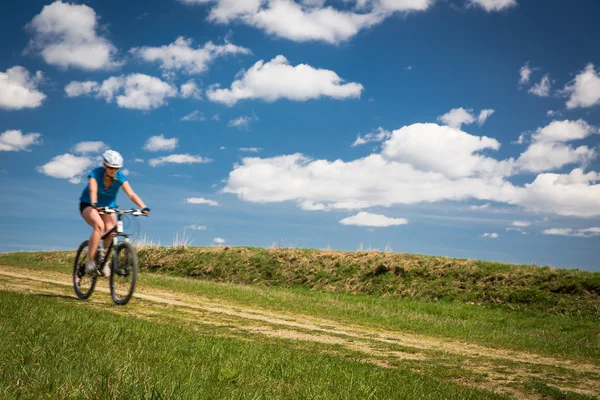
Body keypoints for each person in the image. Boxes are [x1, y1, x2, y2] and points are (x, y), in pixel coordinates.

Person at [79, 150, 150, 276]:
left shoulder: (120, 177)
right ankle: (90, 262)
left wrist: (143, 207)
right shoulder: (96, 173)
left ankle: (104, 260)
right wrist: (95, 203)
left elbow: (131, 194)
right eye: (111, 167)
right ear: (105, 165)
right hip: (89, 205)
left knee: (112, 232)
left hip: (108, 208)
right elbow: (92, 188)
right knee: (99, 226)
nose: (113, 170)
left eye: (116, 168)